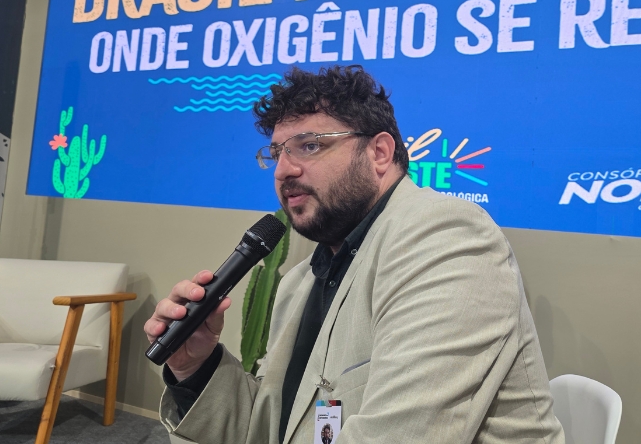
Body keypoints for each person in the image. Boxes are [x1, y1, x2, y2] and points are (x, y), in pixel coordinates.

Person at [145, 65, 564, 444]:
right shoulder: (301, 282)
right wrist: (195, 367)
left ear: (379, 153)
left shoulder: (448, 239)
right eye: (276, 152)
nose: (283, 170)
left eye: (308, 145)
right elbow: (276, 427)